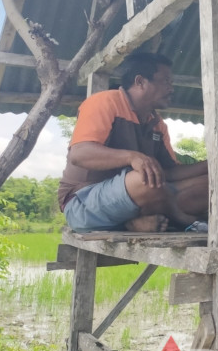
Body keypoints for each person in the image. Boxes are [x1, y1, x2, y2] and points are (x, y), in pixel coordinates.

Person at [58, 52, 209, 233]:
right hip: (83, 202)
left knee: (212, 184)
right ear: (140, 82)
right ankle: (185, 221)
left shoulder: (157, 124)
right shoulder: (105, 101)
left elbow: (169, 172)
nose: (172, 88)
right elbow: (79, 154)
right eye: (166, 81)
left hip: (139, 195)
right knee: (145, 179)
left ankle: (136, 222)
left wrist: (213, 165)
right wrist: (132, 157)